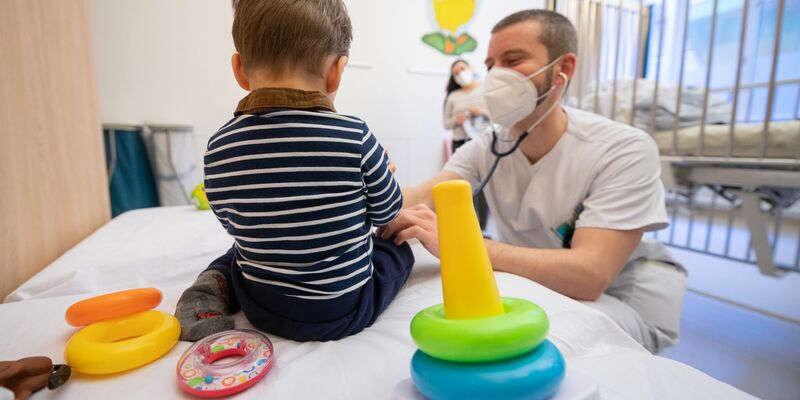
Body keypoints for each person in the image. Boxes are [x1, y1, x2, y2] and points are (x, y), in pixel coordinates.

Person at [380, 9, 687, 353]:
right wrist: (365, 182)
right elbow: (422, 196)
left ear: (563, 69)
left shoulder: (623, 149)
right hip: (537, 279)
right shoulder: (489, 146)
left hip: (623, 293)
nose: (496, 76)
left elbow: (590, 275)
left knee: (539, 343)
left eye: (513, 60)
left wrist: (461, 245)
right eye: (492, 64)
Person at [174, 0, 414, 343]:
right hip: (342, 310)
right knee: (397, 247)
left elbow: (232, 222)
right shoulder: (355, 135)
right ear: (336, 71)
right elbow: (388, 212)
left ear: (240, 69)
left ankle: (215, 281)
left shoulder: (219, 146)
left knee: (243, 247)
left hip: (261, 306)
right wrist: (381, 176)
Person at [443, 59, 490, 229]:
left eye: (462, 69)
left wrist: (482, 112)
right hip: (460, 143)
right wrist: (456, 119)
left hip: (482, 143)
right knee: (463, 186)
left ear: (470, 68)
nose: (460, 74)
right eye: (456, 73)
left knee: (483, 187)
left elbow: (497, 115)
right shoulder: (453, 96)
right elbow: (446, 123)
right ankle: (468, 225)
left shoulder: (485, 89)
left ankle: (482, 227)